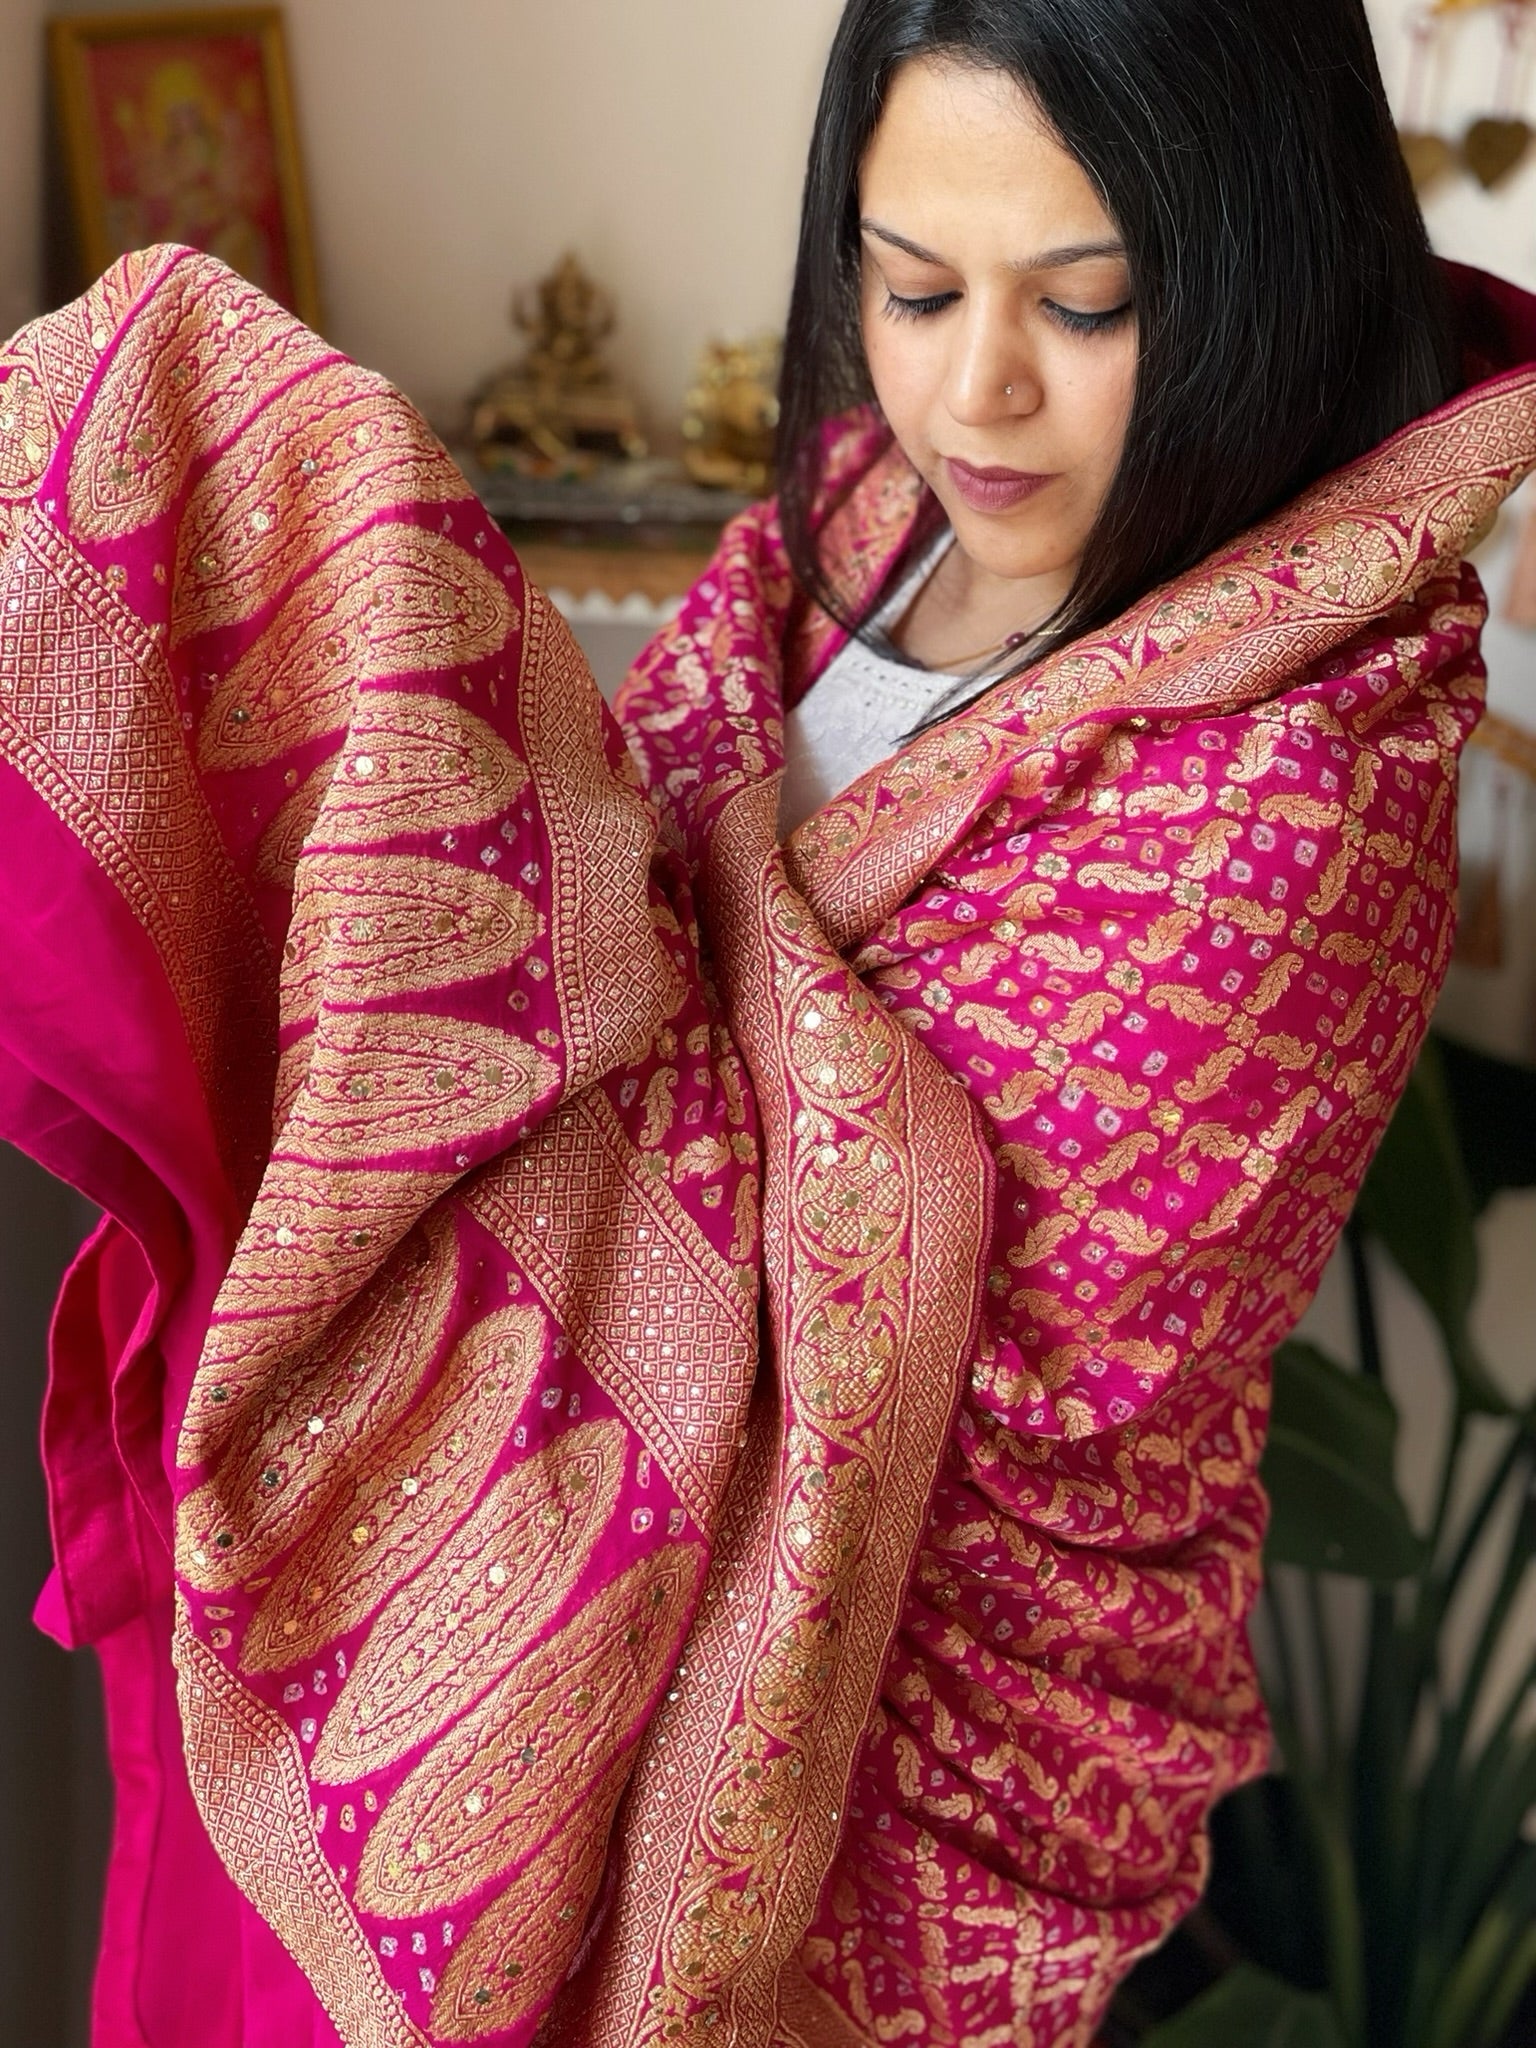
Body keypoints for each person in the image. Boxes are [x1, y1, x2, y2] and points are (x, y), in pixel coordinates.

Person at [0, 6, 1532, 2048]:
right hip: (566, 1559)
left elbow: (891, 1298)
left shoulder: (1295, 798)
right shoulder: (875, 510)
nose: (971, 391)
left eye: (1088, 306)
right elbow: (628, 870)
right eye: (909, 286)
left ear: (1260, 272)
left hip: (876, 1797)